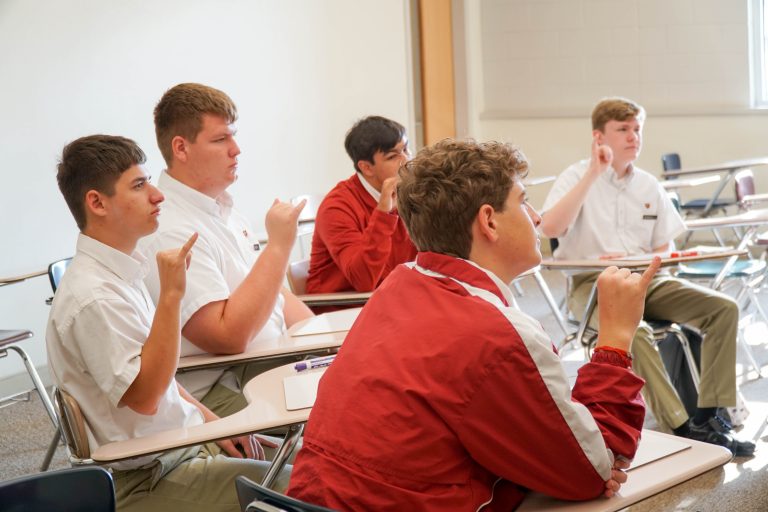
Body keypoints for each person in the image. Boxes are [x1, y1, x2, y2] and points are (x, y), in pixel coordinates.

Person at [288, 139, 651, 511]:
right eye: (524, 201)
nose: (538, 217)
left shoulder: (398, 284)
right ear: (489, 221)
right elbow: (594, 467)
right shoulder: (496, 333)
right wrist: (615, 340)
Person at [46, 135, 290, 512]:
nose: (158, 195)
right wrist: (172, 297)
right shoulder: (94, 297)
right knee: (311, 480)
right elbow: (146, 396)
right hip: (148, 477)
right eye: (140, 186)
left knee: (312, 460)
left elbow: (167, 381)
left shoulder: (120, 271)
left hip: (181, 447)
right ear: (97, 203)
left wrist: (218, 428)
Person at [540, 97, 754, 456]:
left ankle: (709, 416)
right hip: (595, 285)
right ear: (599, 137)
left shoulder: (648, 184)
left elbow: (665, 249)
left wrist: (665, 256)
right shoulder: (577, 175)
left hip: (647, 279)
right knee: (633, 332)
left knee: (724, 308)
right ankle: (681, 425)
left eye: (637, 129)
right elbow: (550, 226)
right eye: (622, 129)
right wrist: (594, 172)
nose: (633, 137)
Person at [139, 83, 314, 418]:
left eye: (233, 137)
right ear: (181, 148)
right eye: (221, 139)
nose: (236, 150)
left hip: (271, 361)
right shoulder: (171, 228)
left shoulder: (224, 210)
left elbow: (273, 293)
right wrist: (278, 246)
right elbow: (227, 338)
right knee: (350, 413)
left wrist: (326, 341)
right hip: (224, 384)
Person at [306, 115, 417, 294]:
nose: (406, 160)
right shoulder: (336, 207)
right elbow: (364, 280)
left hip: (392, 298)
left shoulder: (410, 192)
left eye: (406, 149)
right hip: (342, 307)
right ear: (366, 168)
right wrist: (384, 213)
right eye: (392, 156)